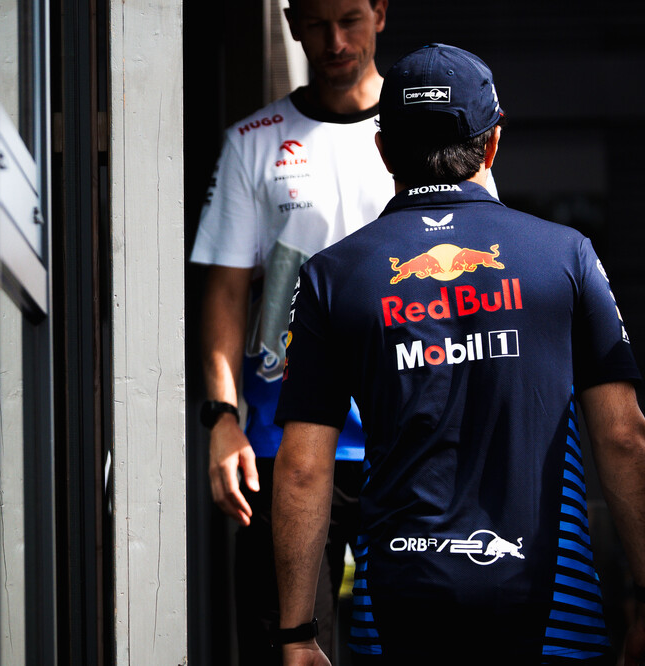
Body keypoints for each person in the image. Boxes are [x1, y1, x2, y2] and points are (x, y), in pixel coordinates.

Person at [272, 44, 645, 665]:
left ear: (385, 153)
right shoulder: (567, 256)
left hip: (398, 602)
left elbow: (304, 468)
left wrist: (297, 635)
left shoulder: (335, 276)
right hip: (553, 608)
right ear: (493, 144)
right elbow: (625, 438)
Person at [191, 0, 396, 659]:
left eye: (350, 19)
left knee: (414, 636)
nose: (335, 41)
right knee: (286, 644)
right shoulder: (255, 139)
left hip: (410, 436)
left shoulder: (427, 125)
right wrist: (222, 417)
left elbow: (484, 271)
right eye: (316, 23)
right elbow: (223, 291)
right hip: (285, 443)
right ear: (292, 23)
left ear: (381, 12)